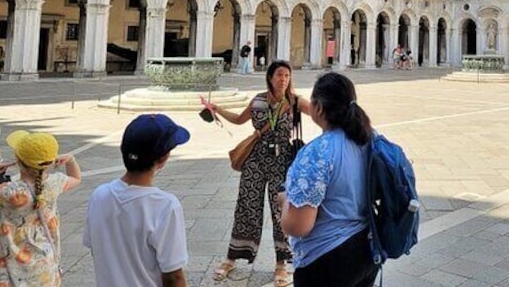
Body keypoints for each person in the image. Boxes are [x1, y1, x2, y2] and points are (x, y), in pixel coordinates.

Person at [211, 60, 310, 287]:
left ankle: (281, 264)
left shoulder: (295, 102)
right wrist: (218, 110)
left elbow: (318, 111)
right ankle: (232, 257)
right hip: (255, 161)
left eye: (287, 75)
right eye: (279, 75)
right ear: (270, 77)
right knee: (247, 206)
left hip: (282, 163)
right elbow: (239, 119)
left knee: (280, 211)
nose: (283, 79)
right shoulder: (258, 100)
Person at [281, 72, 379, 287]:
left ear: (318, 107)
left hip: (327, 258)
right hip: (368, 249)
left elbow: (299, 226)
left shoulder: (316, 152)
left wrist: (285, 202)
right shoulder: (371, 138)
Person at [83, 114, 190, 287]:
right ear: (163, 158)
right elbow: (173, 276)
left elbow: (96, 248)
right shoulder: (165, 206)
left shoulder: (99, 195)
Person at [0, 130, 81, 286]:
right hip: (45, 263)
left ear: (18, 161)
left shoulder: (8, 191)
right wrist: (71, 160)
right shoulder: (56, 183)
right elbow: (76, 178)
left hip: (11, 265)